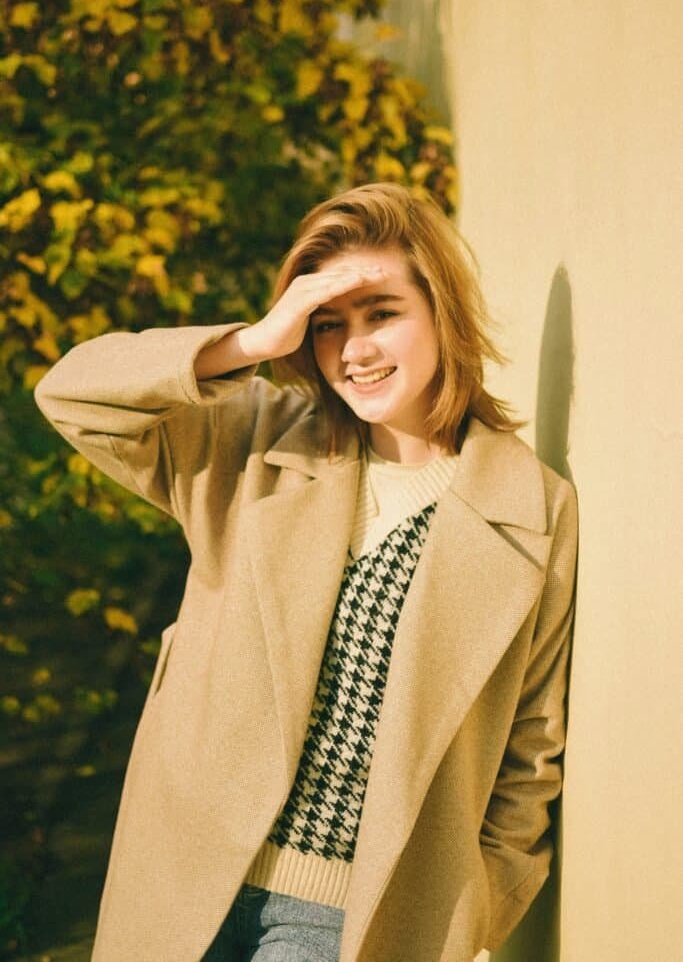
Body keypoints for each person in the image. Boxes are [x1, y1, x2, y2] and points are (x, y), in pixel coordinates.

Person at [35, 182, 578, 962]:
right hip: (186, 871)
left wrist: (471, 910)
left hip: (348, 918)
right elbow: (71, 395)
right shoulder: (254, 439)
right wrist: (253, 342)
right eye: (328, 325)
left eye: (381, 314)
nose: (354, 350)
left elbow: (530, 747)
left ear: (442, 314)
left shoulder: (531, 508)